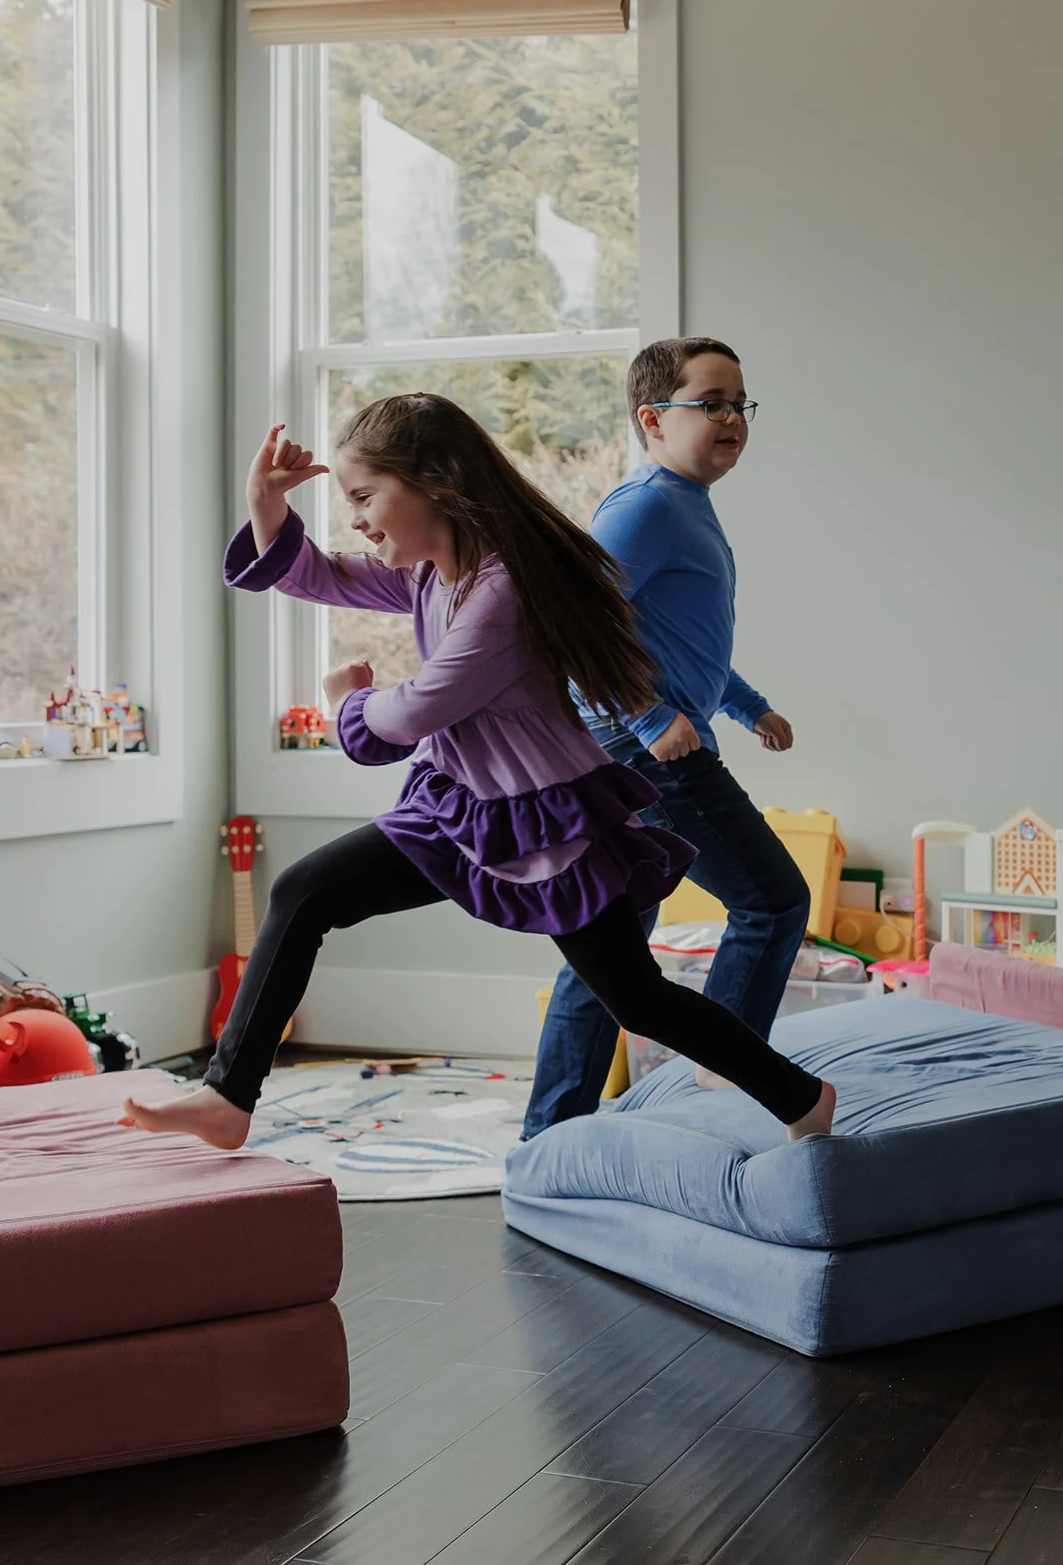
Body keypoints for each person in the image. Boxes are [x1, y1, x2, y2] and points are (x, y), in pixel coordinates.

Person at [120, 394, 834, 1149]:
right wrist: (264, 501)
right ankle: (229, 1098)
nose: (357, 519)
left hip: (547, 817)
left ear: (435, 482)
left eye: (366, 497)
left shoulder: (502, 590)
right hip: (458, 806)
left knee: (638, 999)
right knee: (304, 892)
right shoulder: (433, 573)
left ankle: (801, 1098)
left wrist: (349, 702)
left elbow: (420, 707)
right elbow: (321, 576)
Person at [523, 337, 811, 1139]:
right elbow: (573, 627)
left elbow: (683, 640)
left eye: (739, 403)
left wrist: (747, 705)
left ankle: (548, 1139)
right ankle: (724, 1071)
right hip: (642, 753)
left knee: (611, 956)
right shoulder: (645, 505)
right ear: (652, 418)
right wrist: (650, 718)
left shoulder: (686, 502)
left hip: (635, 745)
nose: (731, 418)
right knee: (774, 900)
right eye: (710, 402)